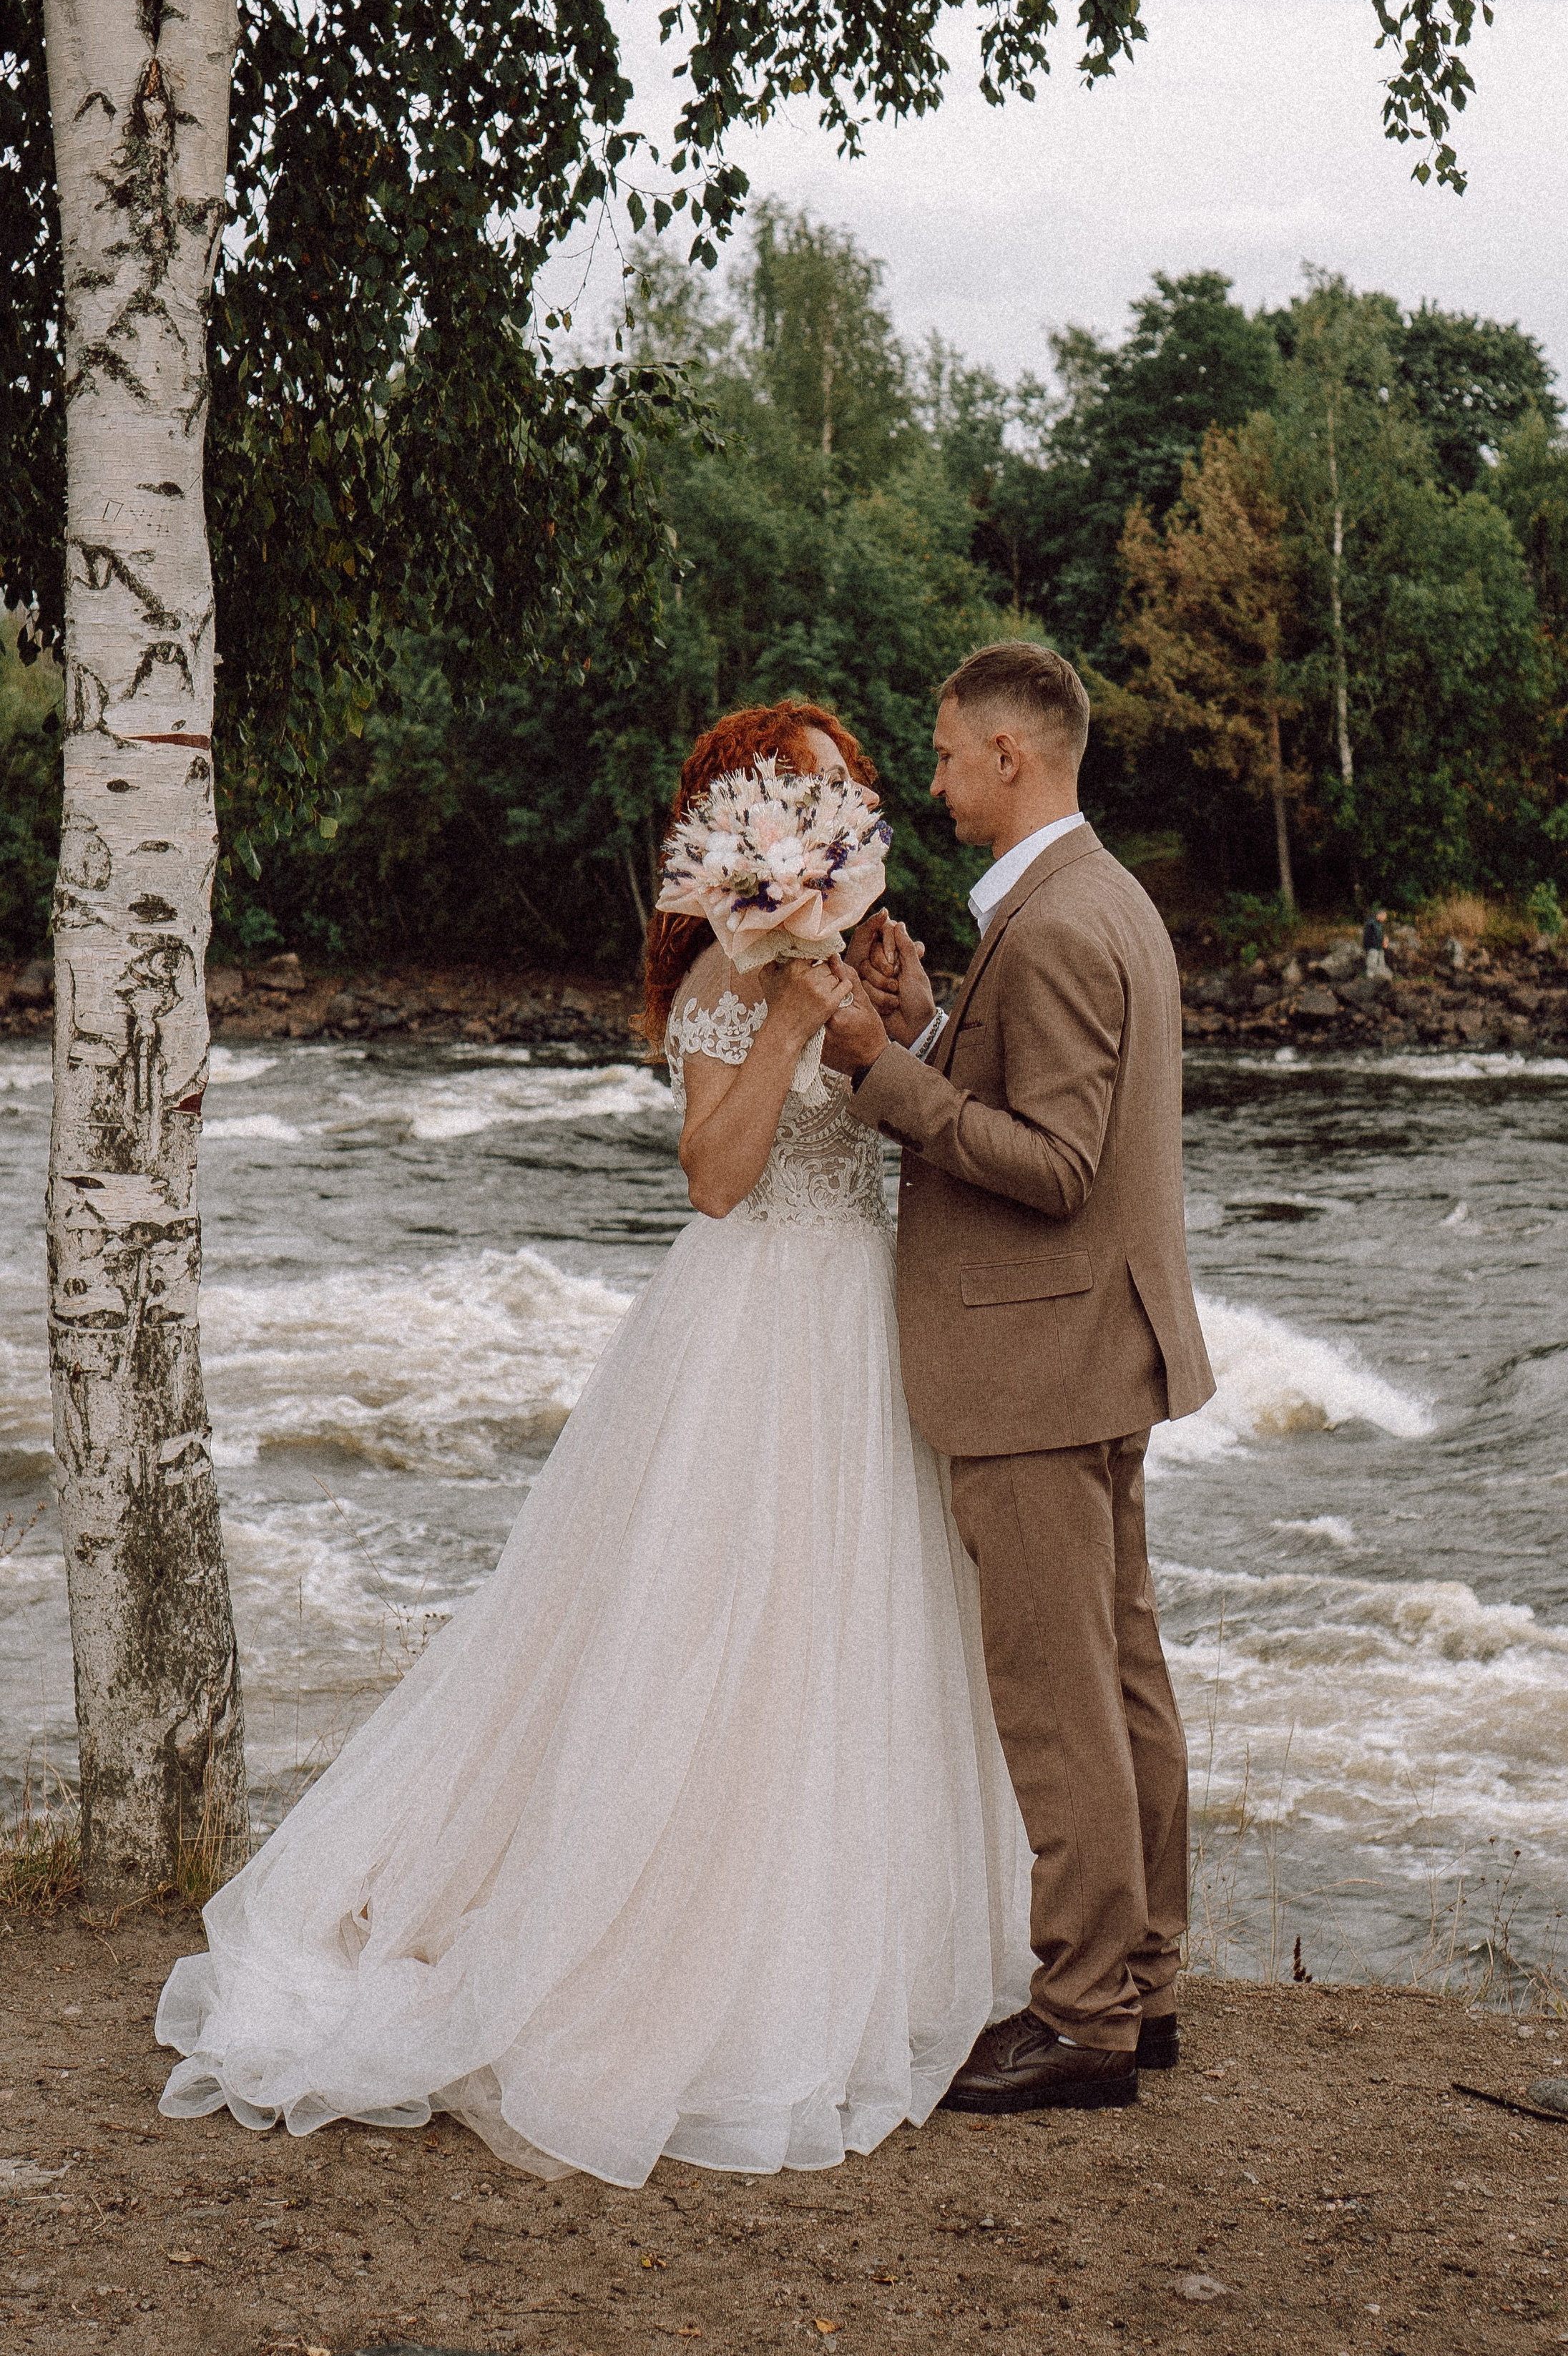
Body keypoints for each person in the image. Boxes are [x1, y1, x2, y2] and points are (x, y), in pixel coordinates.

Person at [156, 700, 1033, 2188]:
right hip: (752, 1325)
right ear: (750, 826)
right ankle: (683, 1956)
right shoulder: (720, 973)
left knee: (860, 1629)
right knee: (718, 1630)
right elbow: (715, 1177)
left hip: (863, 1316)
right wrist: (787, 1018)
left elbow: (905, 1114)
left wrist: (901, 1010)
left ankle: (859, 1942)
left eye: (852, 797)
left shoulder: (862, 949)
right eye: (813, 797)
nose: (842, 819)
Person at [823, 642, 1215, 2117]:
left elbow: (1052, 1166)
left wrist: (881, 1067)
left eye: (942, 754)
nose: (930, 781)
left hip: (1036, 1359)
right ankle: (1142, 1984)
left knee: (1059, 1698)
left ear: (1009, 754)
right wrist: (931, 1020)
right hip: (1096, 1344)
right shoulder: (1100, 896)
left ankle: (1082, 2015)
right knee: (1120, 1677)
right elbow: (1055, 1109)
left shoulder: (1050, 927)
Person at [1363, 906, 1388, 979]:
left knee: (1381, 963)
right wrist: (1367, 948)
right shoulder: (1371, 923)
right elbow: (1367, 936)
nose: (1385, 919)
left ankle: (1381, 978)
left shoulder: (1379, 924)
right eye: (1385, 917)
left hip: (1379, 947)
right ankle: (1370, 978)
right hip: (1373, 947)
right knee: (1372, 964)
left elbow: (1380, 934)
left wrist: (1385, 939)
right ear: (1380, 915)